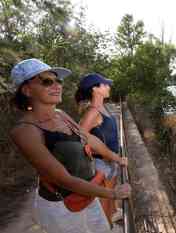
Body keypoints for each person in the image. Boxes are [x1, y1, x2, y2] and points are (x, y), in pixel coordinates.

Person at [9, 58, 131, 233]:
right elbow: (63, 179)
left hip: (88, 195)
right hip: (61, 208)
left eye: (58, 80)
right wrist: (113, 194)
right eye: (46, 81)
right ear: (27, 90)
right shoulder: (25, 130)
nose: (57, 85)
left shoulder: (61, 115)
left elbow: (90, 139)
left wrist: (118, 159)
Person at [75, 73, 122, 225]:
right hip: (102, 164)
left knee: (110, 199)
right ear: (95, 89)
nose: (109, 86)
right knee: (105, 204)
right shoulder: (93, 111)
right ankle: (107, 227)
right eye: (105, 84)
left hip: (111, 161)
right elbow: (78, 140)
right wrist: (97, 152)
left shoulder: (103, 107)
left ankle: (114, 216)